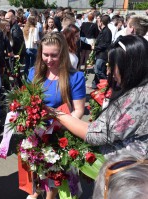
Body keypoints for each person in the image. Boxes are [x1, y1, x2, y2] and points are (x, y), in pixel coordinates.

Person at [52, 35, 148, 159]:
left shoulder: (140, 97)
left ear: (129, 66)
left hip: (124, 169)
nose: (108, 72)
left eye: (113, 65)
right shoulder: (137, 89)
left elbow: (97, 134)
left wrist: (56, 114)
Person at [27, 32, 86, 199]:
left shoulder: (75, 77)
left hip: (60, 134)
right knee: (39, 172)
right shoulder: (33, 73)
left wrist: (59, 126)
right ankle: (38, 191)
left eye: (54, 55)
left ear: (63, 54)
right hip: (36, 133)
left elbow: (79, 110)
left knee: (56, 179)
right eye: (45, 54)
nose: (49, 59)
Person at [92, 15, 112, 89]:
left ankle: (107, 84)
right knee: (98, 70)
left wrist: (96, 47)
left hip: (102, 54)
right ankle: (96, 85)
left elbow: (107, 44)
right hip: (99, 53)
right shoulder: (103, 30)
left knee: (98, 70)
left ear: (101, 22)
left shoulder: (107, 31)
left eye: (98, 21)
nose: (97, 23)